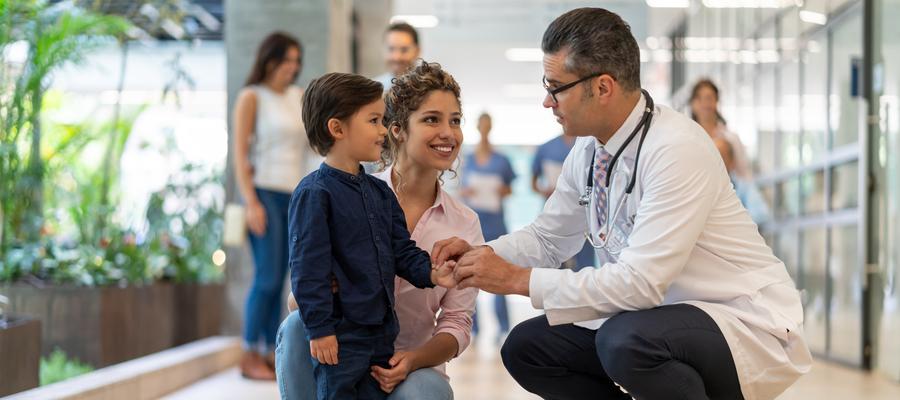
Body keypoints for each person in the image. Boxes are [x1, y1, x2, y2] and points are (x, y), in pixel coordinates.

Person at [432, 7, 811, 400]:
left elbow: (642, 283)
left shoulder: (676, 148)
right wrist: (481, 255)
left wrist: (515, 279)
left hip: (739, 320)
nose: (547, 101)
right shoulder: (590, 149)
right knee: (528, 347)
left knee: (624, 342)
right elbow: (549, 238)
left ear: (603, 87)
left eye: (555, 86)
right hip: (655, 317)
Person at [275, 61, 482, 400]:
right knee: (298, 327)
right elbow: (304, 276)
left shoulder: (459, 221)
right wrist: (322, 309)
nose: (448, 132)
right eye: (432, 119)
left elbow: (453, 318)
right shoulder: (321, 193)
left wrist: (434, 273)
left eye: (455, 120)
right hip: (340, 340)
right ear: (397, 129)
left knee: (426, 392)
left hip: (396, 356)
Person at [232, 31, 308, 381]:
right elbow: (239, 155)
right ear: (269, 59)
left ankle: (267, 353)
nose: (291, 68)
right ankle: (249, 352)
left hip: (295, 195)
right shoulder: (252, 96)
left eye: (296, 61)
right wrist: (250, 202)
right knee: (266, 278)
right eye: (285, 60)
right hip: (263, 193)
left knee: (285, 280)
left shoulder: (298, 96)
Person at [460, 113, 513, 341]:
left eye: (487, 125)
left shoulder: (502, 160)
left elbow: (510, 189)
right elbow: (459, 188)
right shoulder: (467, 159)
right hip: (473, 222)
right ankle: (473, 328)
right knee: (471, 275)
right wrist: (467, 192)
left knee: (500, 273)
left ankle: (502, 327)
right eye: (481, 125)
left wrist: (501, 191)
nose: (484, 129)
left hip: (496, 222)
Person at [532, 134, 596, 270]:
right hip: (555, 213)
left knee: (585, 267)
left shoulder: (592, 146)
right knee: (551, 267)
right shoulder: (546, 148)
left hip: (585, 216)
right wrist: (544, 191)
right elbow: (533, 182)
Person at [690, 78, 753, 180]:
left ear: (716, 102)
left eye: (709, 98)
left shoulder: (731, 139)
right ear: (693, 104)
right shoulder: (687, 137)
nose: (704, 104)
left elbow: (744, 174)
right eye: (699, 99)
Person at [714, 137, 770, 225]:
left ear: (732, 162)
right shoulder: (706, 186)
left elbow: (760, 215)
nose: (717, 162)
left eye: (722, 157)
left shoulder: (744, 187)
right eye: (714, 157)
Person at [374, 22, 420, 90]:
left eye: (404, 50)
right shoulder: (374, 90)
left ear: (417, 51)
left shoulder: (431, 91)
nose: (397, 57)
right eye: (391, 49)